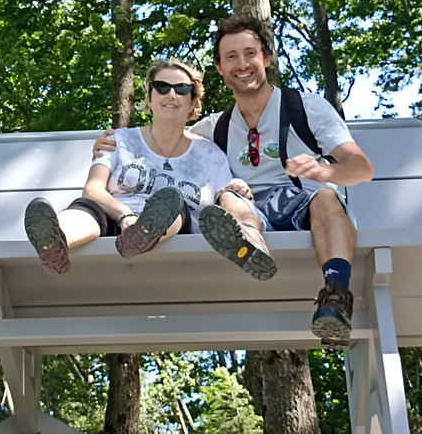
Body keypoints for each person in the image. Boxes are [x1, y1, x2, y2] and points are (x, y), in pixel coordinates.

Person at [94, 17, 374, 346]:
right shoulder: (215, 128)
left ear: (266, 58)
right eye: (231, 57)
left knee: (326, 197)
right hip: (253, 211)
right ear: (220, 68)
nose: (242, 64)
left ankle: (336, 298)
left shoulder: (305, 108)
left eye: (250, 53)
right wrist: (115, 145)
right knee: (228, 199)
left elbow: (361, 168)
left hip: (309, 206)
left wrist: (324, 172)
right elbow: (163, 144)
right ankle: (252, 248)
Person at [24, 58, 276, 279]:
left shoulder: (210, 154)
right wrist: (125, 216)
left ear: (192, 102)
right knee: (88, 209)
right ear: (149, 97)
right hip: (114, 219)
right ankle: (55, 242)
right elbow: (93, 189)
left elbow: (225, 199)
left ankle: (144, 235)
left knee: (174, 204)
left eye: (182, 89)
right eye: (162, 87)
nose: (171, 94)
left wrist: (238, 189)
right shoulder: (119, 140)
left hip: (174, 231)